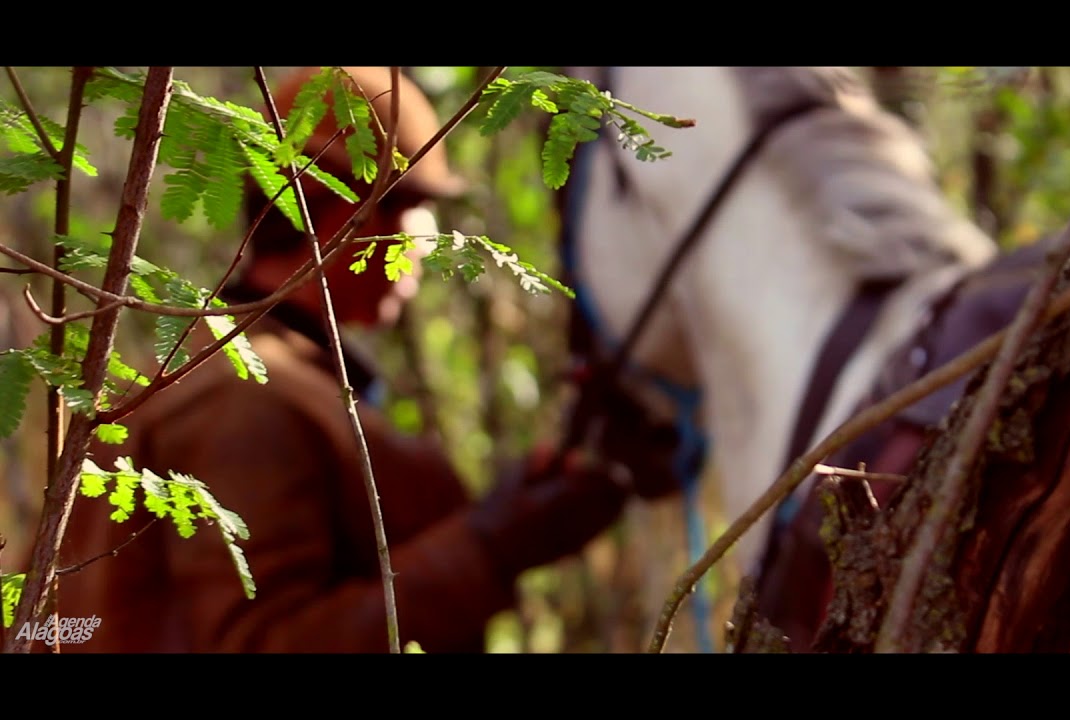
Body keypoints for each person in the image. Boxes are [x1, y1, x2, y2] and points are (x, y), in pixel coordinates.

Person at [44, 66, 679, 653]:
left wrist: (513, 518)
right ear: (335, 212)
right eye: (411, 208)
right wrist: (490, 547)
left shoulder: (274, 373)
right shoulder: (241, 397)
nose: (429, 243)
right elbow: (263, 641)